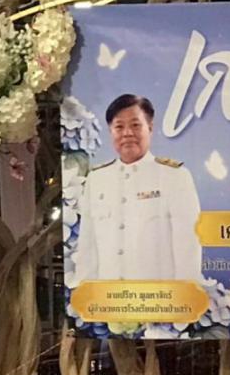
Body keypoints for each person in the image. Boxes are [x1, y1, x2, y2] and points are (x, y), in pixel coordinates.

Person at [72, 94, 202, 285]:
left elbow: (188, 245)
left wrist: (184, 296)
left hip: (159, 299)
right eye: (119, 127)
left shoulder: (174, 176)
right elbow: (87, 247)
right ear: (110, 131)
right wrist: (85, 294)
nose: (127, 133)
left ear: (150, 128)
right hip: (109, 299)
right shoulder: (97, 179)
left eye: (135, 125)